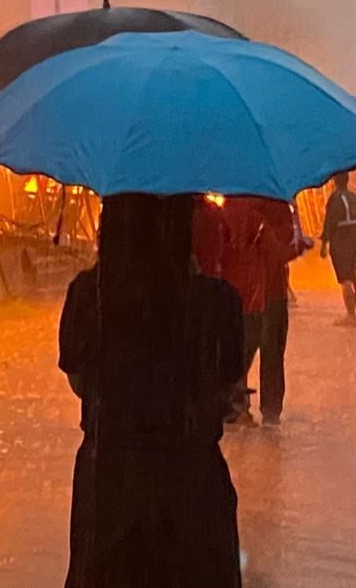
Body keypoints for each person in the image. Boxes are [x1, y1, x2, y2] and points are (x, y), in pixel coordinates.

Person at [58, 195, 243, 588]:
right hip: (193, 486)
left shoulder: (87, 296)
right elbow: (228, 387)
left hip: (109, 481)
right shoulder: (218, 302)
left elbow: (80, 383)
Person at [221, 196, 297, 427]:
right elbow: (285, 249)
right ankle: (271, 410)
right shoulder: (279, 204)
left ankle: (237, 407)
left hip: (237, 291)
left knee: (239, 349)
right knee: (272, 349)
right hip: (271, 289)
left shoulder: (230, 203)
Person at [320, 170, 356, 325]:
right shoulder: (353, 197)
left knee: (345, 277)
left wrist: (324, 243)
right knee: (354, 274)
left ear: (334, 182)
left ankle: (350, 315)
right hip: (354, 235)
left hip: (341, 240)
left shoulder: (334, 199)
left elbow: (330, 222)